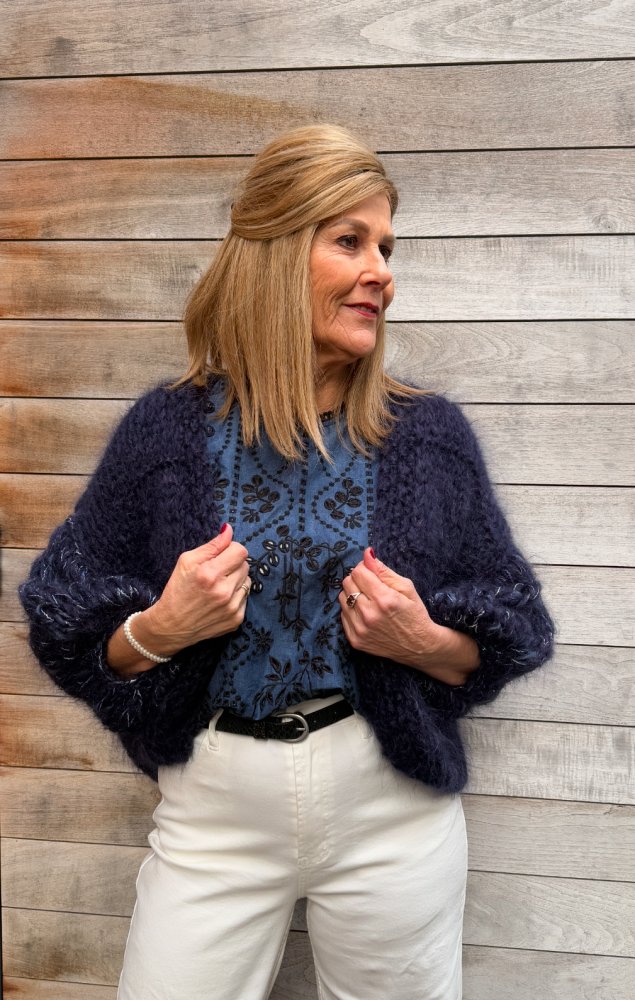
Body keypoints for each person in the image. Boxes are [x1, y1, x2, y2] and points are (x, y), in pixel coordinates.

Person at [19, 123, 555, 1000]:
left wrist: (423, 642)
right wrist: (159, 630)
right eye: (349, 241)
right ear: (273, 252)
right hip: (215, 812)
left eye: (386, 248)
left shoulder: (426, 436)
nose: (380, 271)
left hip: (391, 808)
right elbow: (66, 621)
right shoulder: (166, 431)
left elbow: (511, 629)